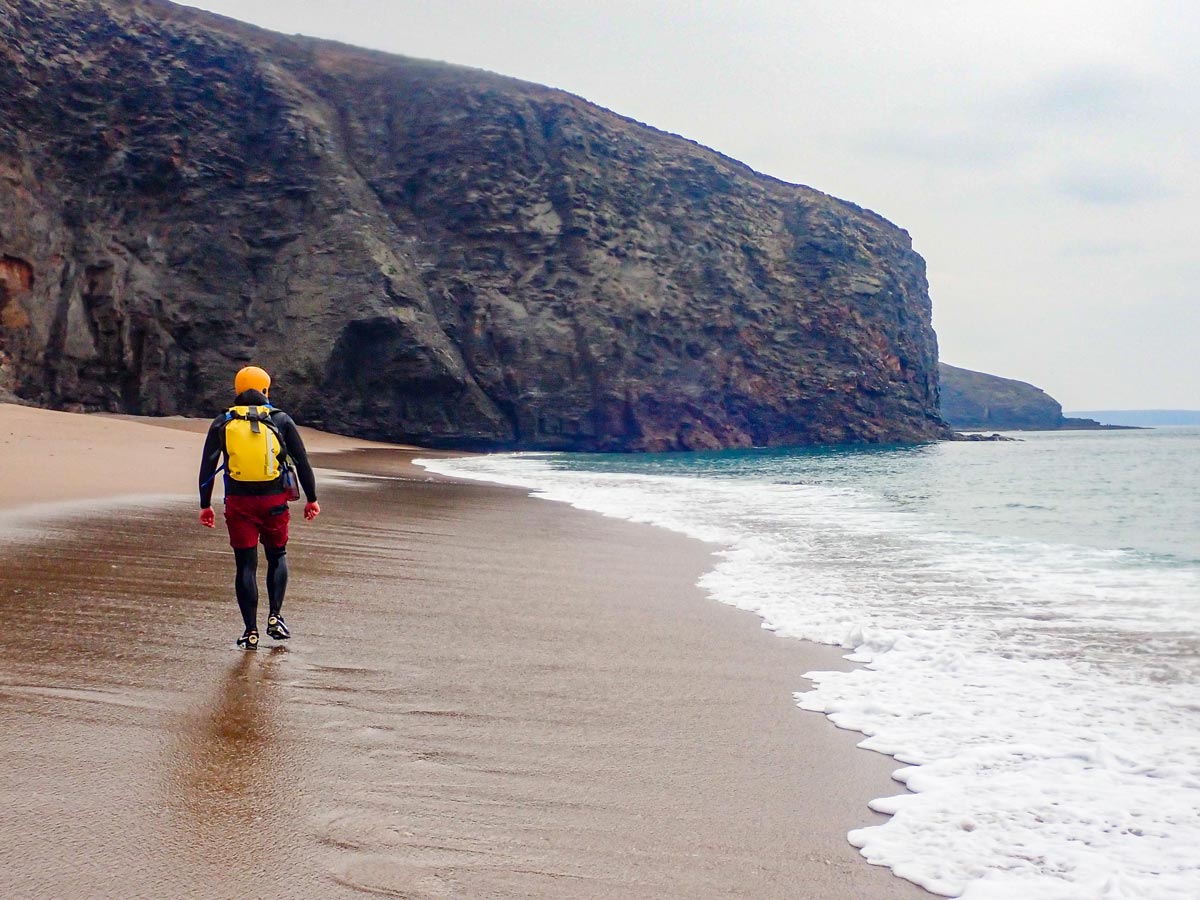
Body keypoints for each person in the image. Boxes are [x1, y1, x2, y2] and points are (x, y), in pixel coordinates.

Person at [197, 365, 320, 649]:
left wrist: (205, 505)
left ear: (237, 390)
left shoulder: (223, 421)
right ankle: (275, 617)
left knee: (245, 566)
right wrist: (311, 498)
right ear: (266, 390)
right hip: (274, 502)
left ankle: (250, 631)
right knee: (277, 555)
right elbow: (302, 463)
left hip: (239, 504)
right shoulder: (281, 419)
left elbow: (207, 468)